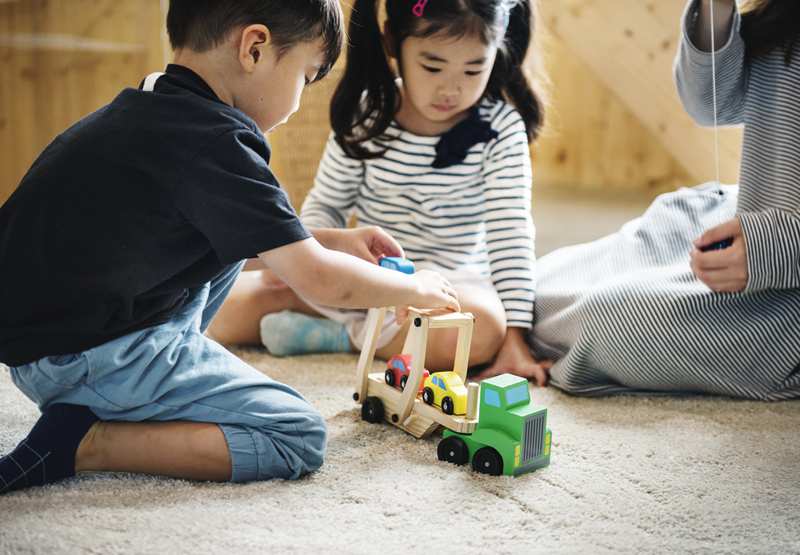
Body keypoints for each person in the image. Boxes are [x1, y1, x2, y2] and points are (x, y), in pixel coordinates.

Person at [0, 0, 460, 495]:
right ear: (254, 48)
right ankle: (87, 441)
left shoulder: (154, 106)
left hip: (50, 341)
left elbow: (245, 239)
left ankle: (151, 383)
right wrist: (414, 288)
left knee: (232, 242)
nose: (298, 101)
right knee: (297, 435)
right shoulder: (217, 142)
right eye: (304, 77)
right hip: (88, 358)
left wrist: (332, 243)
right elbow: (318, 280)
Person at [210, 0, 553, 384]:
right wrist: (302, 266)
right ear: (393, 41)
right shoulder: (368, 114)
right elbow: (327, 205)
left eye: (474, 69)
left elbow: (511, 231)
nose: (451, 89)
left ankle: (341, 337)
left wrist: (516, 337)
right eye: (432, 66)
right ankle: (358, 330)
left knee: (484, 327)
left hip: (448, 289)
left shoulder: (501, 128)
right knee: (219, 307)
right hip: (368, 285)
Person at [530, 0, 800, 399]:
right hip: (752, 218)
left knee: (610, 321)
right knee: (538, 286)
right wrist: (716, 11)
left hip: (785, 304)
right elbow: (711, 104)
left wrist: (776, 248)